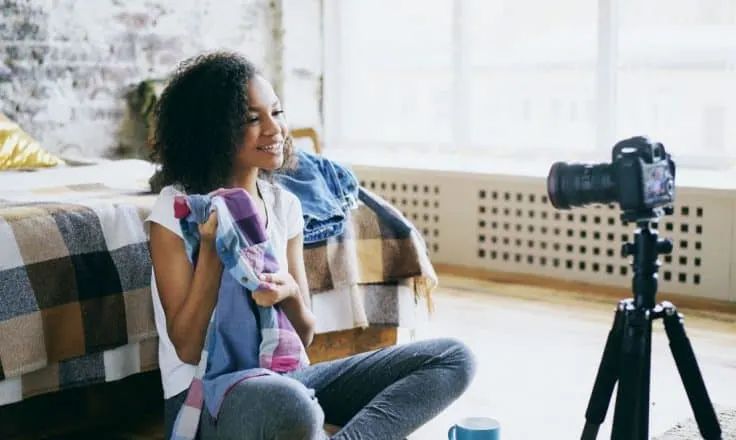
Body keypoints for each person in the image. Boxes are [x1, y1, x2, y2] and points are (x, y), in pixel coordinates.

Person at [146, 51, 477, 440]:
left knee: (454, 358)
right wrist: (213, 252)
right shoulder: (178, 209)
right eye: (253, 118)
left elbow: (304, 334)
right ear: (213, 129)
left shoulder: (284, 205)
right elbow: (186, 347)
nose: (275, 130)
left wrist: (289, 294)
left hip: (284, 377)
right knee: (296, 409)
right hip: (209, 397)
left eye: (276, 112)